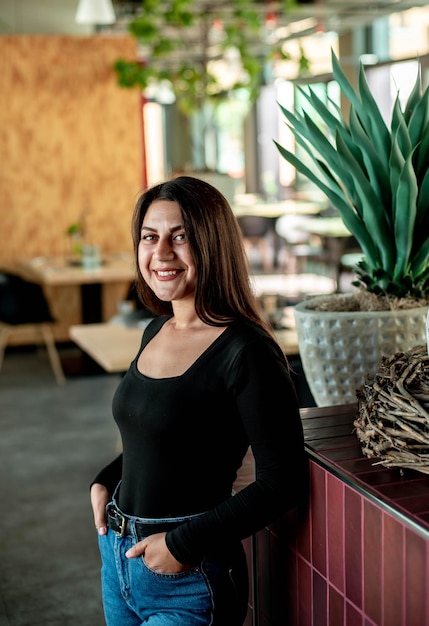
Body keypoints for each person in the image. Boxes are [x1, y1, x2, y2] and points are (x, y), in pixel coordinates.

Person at [90, 175, 308, 626]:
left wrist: (182, 545)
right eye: (150, 237)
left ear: (212, 244)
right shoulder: (156, 329)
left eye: (181, 237)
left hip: (187, 575)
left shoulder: (247, 351)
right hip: (117, 556)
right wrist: (106, 479)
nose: (161, 253)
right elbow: (154, 430)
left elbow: (282, 481)